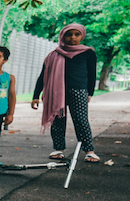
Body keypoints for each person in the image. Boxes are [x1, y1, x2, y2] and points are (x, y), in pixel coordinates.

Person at [31, 23, 99, 163]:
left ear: (82, 36)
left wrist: (89, 93)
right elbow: (43, 75)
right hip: (55, 92)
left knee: (81, 120)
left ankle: (89, 150)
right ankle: (58, 149)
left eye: (76, 34)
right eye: (69, 34)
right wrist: (35, 96)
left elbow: (92, 74)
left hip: (78, 90)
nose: (73, 37)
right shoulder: (53, 55)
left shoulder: (88, 53)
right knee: (57, 120)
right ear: (63, 36)